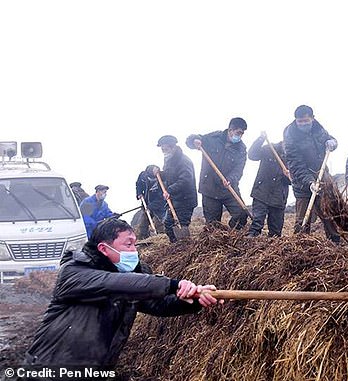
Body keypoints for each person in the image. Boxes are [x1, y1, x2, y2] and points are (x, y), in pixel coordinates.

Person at [24, 218, 221, 367]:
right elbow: (116, 284)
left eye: (135, 244)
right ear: (103, 248)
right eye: (128, 244)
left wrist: (194, 298)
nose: (134, 251)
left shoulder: (131, 275)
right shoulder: (75, 272)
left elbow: (158, 304)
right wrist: (174, 284)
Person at [283, 105, 340, 243]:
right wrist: (309, 182)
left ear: (312, 119)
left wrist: (333, 142)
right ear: (295, 120)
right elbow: (296, 165)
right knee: (303, 218)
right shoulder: (290, 136)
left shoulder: (318, 129)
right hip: (302, 182)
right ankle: (300, 245)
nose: (303, 124)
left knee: (328, 214)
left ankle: (335, 242)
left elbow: (329, 139)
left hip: (321, 176)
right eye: (300, 121)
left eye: (306, 121)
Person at [186, 118, 248, 229]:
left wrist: (230, 179)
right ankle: (219, 238)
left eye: (242, 133)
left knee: (241, 214)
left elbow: (239, 169)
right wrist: (195, 140)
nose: (240, 136)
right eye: (238, 132)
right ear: (230, 130)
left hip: (229, 188)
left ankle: (232, 233)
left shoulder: (241, 149)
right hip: (210, 188)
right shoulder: (213, 138)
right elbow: (191, 140)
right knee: (213, 226)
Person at [246, 132, 291, 237]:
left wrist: (289, 176)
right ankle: (250, 245)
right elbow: (252, 155)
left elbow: (295, 180)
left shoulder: (294, 156)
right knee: (256, 224)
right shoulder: (269, 149)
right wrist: (260, 139)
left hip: (279, 196)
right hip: (262, 192)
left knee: (275, 232)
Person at [156, 135, 198, 243]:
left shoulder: (183, 161)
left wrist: (169, 190)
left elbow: (185, 180)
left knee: (181, 224)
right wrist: (159, 174)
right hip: (175, 200)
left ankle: (185, 246)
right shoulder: (169, 160)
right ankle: (176, 246)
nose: (163, 152)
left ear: (173, 147)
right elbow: (167, 176)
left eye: (165, 149)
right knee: (168, 225)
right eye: (162, 149)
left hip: (185, 200)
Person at [135, 164, 166, 239]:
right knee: (144, 222)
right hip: (146, 202)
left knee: (159, 222)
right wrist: (139, 193)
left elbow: (161, 197)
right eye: (154, 171)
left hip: (158, 205)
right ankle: (143, 238)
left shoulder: (162, 179)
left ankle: (161, 238)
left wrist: (151, 207)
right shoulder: (143, 176)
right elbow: (138, 184)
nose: (156, 173)